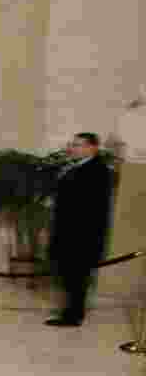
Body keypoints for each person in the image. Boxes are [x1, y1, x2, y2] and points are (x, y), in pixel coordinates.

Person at [46, 132, 114, 327]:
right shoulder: (76, 167)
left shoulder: (98, 170)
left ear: (93, 148)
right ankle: (71, 311)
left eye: (78, 145)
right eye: (73, 144)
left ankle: (73, 316)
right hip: (68, 232)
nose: (73, 148)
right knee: (70, 276)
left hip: (81, 235)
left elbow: (90, 207)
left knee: (77, 278)